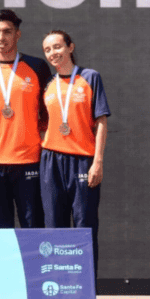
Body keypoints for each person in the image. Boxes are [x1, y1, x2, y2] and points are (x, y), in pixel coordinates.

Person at [0, 10, 51, 228]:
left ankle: (33, 264)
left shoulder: (37, 67)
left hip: (29, 161)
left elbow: (50, 110)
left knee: (33, 227)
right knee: (1, 230)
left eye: (7, 31)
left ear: (18, 34)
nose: (1, 37)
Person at [40, 30, 109, 274]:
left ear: (70, 47)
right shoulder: (48, 84)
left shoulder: (90, 78)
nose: (52, 53)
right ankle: (57, 285)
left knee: (84, 224)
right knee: (54, 225)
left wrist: (97, 162)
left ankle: (85, 288)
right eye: (47, 50)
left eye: (57, 47)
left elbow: (101, 122)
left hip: (82, 160)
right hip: (51, 160)